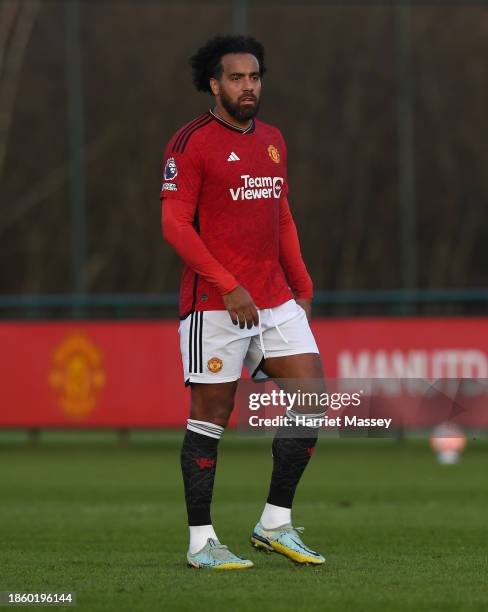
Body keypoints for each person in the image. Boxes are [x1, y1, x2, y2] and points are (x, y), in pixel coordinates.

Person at [161, 35, 326, 570]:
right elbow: (174, 224)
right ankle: (201, 543)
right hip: (215, 302)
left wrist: (300, 285)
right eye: (236, 78)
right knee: (211, 418)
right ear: (214, 84)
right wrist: (227, 284)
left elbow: (280, 216)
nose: (248, 86)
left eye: (254, 77)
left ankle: (274, 524)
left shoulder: (273, 140)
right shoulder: (190, 143)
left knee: (313, 398)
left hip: (274, 300)